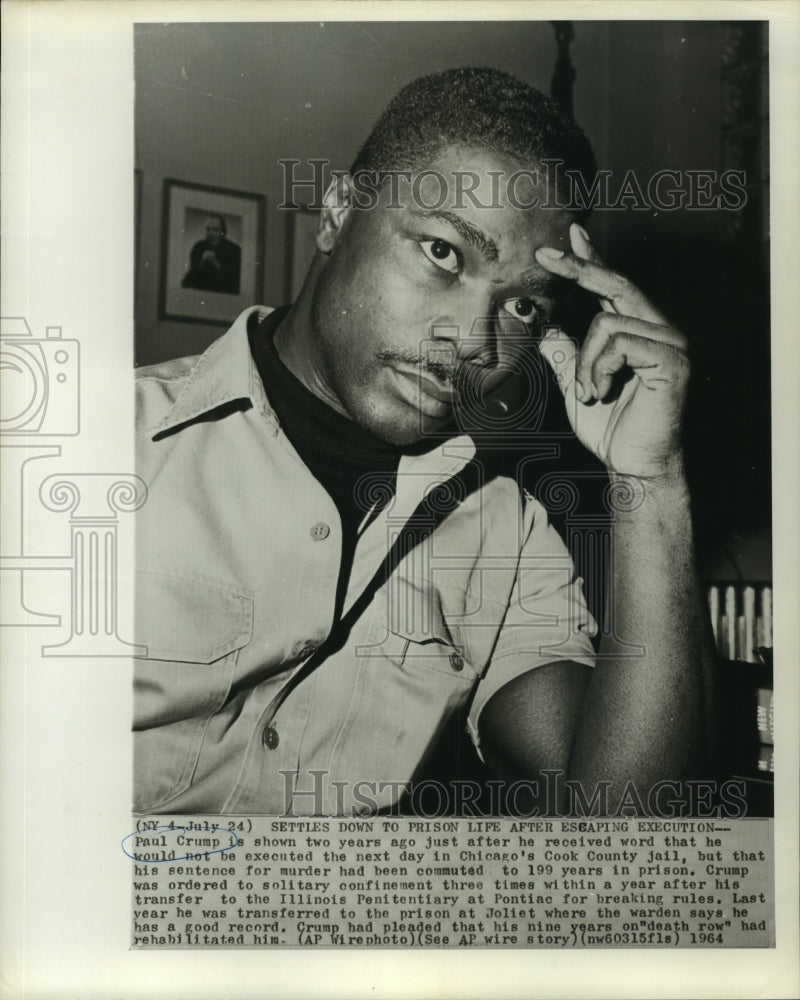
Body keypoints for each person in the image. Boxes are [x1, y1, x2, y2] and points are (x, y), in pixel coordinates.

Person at [134, 67, 716, 816]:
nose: (473, 341)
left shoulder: (506, 530)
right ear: (339, 212)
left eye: (524, 306)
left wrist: (654, 478)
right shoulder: (100, 446)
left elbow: (625, 838)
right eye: (444, 253)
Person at [181, 213, 241, 294]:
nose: (210, 233)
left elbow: (234, 283)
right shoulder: (198, 247)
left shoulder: (234, 250)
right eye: (208, 229)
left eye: (215, 229)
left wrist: (216, 264)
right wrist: (201, 263)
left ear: (222, 231)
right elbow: (189, 279)